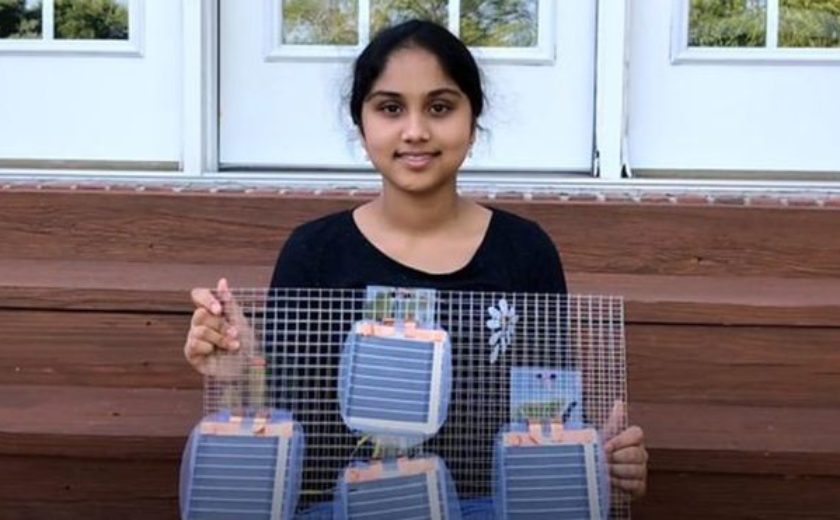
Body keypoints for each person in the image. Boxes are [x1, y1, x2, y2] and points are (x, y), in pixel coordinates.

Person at [184, 18, 647, 505]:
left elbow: (549, 415)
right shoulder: (314, 253)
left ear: (473, 121)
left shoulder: (524, 251)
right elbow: (276, 433)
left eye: (440, 107)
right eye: (390, 108)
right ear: (361, 125)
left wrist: (601, 468)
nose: (415, 131)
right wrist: (240, 371)